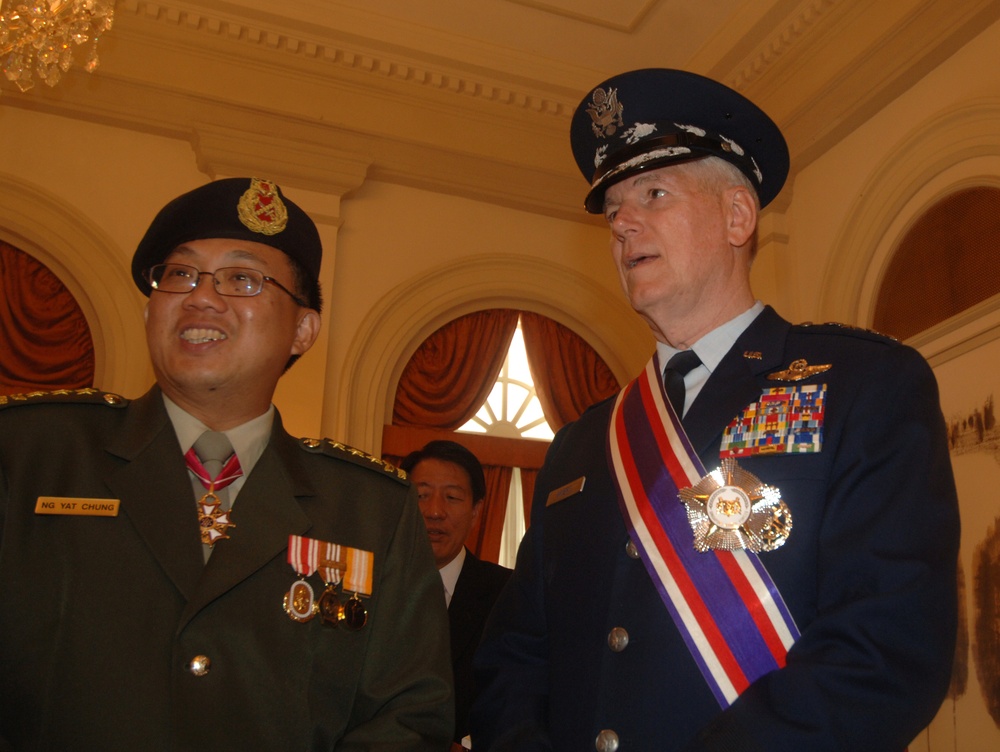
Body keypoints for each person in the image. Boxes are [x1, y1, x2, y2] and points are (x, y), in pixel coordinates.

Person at [471, 69, 960, 751]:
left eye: (654, 193)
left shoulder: (864, 387)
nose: (622, 224)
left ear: (738, 216)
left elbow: (887, 650)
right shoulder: (583, 443)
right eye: (613, 208)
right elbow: (514, 658)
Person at [0, 177, 453, 750]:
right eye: (179, 275)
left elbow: (408, 717)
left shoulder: (372, 510)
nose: (200, 297)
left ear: (303, 329)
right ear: (149, 313)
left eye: (241, 279)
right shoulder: (31, 454)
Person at [400, 441, 512, 750]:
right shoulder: (370, 587)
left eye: (451, 497)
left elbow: (516, 695)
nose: (434, 511)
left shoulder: (506, 593)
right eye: (421, 495)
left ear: (476, 511)